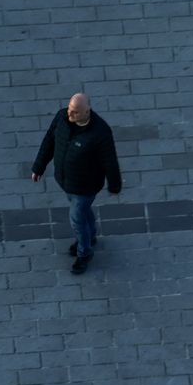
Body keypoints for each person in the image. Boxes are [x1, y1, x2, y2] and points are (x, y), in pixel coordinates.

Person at [31, 92, 123, 275]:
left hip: (85, 186)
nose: (70, 115)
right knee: (82, 211)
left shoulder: (100, 132)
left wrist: (114, 186)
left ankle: (84, 253)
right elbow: (49, 141)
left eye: (75, 112)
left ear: (87, 111)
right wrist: (39, 166)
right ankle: (91, 237)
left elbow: (109, 161)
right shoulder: (62, 117)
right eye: (70, 110)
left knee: (77, 219)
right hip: (65, 181)